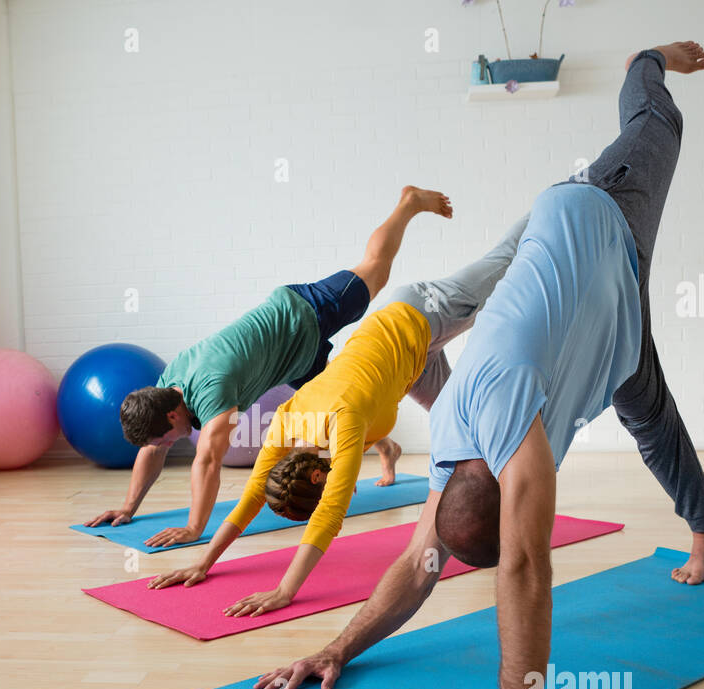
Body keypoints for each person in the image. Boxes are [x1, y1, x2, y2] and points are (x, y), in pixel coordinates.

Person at [254, 41, 704, 689]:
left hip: (598, 205)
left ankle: (647, 59)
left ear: (504, 485)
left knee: (659, 121)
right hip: (618, 327)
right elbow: (418, 562)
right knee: (652, 420)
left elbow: (527, 565)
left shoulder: (513, 438)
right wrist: (333, 647)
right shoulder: (449, 440)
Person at [146, 212, 531, 616]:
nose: (324, 496)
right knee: (465, 435)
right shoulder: (287, 420)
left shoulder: (342, 425)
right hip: (412, 365)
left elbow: (329, 515)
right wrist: (203, 562)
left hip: (419, 313)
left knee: (503, 262)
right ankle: (503, 513)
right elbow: (252, 496)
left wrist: (285, 591)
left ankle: (555, 201)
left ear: (316, 475)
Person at [84, 186, 453, 548]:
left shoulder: (213, 392)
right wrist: (128, 507)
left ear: (169, 417)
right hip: (293, 363)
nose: (165, 446)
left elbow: (209, 461)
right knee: (335, 414)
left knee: (375, 269)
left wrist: (195, 528)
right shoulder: (166, 390)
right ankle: (386, 448)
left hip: (304, 315)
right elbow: (153, 449)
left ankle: (408, 204)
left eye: (163, 438)